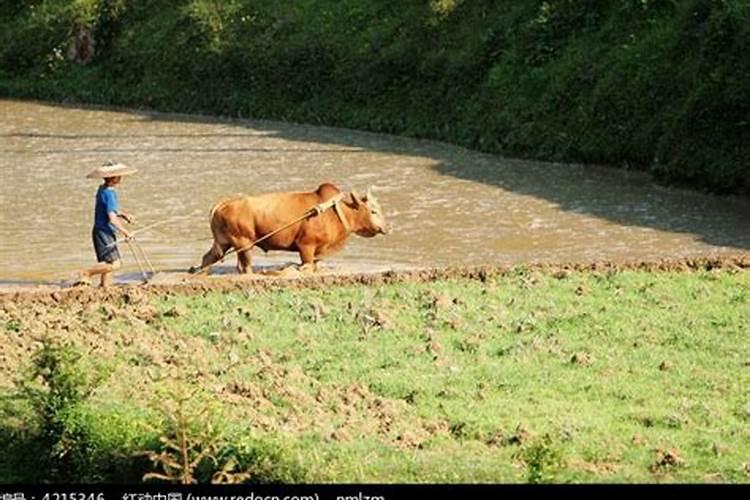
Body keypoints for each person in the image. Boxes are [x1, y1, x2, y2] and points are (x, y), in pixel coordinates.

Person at [77, 161, 138, 287]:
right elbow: (112, 218)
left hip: (101, 231)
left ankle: (105, 288)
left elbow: (109, 210)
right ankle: (86, 272)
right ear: (114, 178)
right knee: (115, 264)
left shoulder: (102, 189)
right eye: (119, 175)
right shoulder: (110, 194)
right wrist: (126, 232)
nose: (121, 178)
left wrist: (122, 214)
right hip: (104, 232)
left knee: (106, 263)